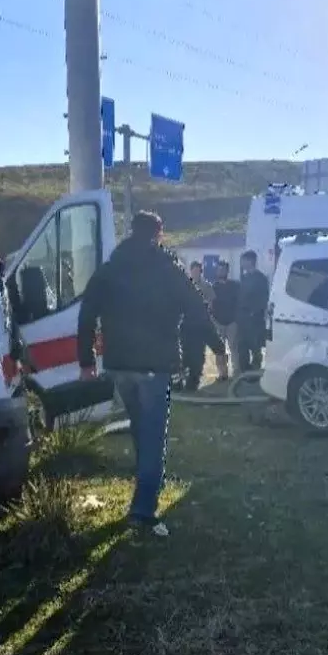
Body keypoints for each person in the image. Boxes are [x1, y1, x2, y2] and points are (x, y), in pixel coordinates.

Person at [77, 211, 226, 537]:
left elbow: (87, 314)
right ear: (158, 234)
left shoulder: (110, 268)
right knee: (153, 436)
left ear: (131, 233)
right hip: (154, 367)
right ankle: (143, 511)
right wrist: (216, 345)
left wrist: (86, 361)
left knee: (142, 430)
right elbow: (197, 309)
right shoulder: (167, 268)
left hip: (119, 366)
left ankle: (143, 489)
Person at [179, 262, 215, 391]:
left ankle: (193, 384)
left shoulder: (206, 287)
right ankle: (180, 382)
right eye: (193, 271)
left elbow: (210, 304)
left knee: (198, 356)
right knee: (186, 356)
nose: (195, 273)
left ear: (201, 272)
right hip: (186, 327)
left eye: (197, 271)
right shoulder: (184, 286)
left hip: (201, 326)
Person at [235, 250, 270, 372]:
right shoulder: (244, 277)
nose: (241, 263)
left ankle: (255, 371)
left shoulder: (261, 278)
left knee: (255, 347)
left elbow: (263, 299)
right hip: (242, 319)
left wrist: (253, 313)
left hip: (254, 320)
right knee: (241, 346)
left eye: (243, 260)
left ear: (250, 261)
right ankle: (244, 371)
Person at [209, 260, 238, 379]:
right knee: (219, 350)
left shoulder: (235, 286)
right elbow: (210, 304)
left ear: (227, 271)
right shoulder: (213, 287)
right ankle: (222, 373)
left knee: (234, 348)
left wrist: (236, 319)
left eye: (223, 269)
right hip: (218, 323)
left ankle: (237, 372)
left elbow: (238, 303)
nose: (221, 271)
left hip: (232, 323)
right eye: (219, 269)